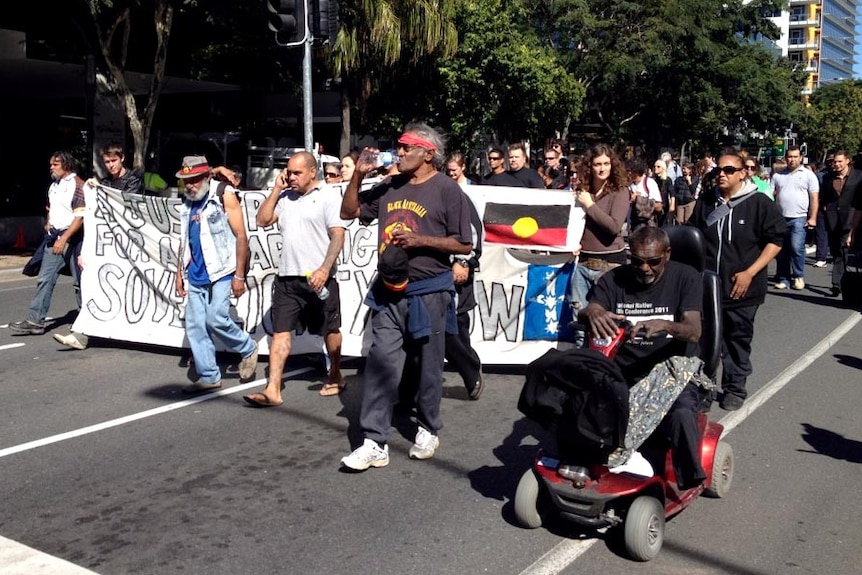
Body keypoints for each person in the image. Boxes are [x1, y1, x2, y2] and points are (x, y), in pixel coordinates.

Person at [339, 122, 473, 471]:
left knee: (428, 366)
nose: (399, 152)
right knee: (381, 363)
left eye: (406, 148)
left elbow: (463, 243)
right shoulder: (390, 185)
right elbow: (349, 212)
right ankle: (373, 441)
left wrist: (421, 241)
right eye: (398, 147)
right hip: (388, 291)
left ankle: (428, 428)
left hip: (430, 291)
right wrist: (358, 177)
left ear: (428, 154)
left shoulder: (447, 190)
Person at [579, 226, 707, 490]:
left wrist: (666, 325)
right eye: (637, 261)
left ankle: (688, 481)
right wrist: (592, 312)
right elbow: (591, 307)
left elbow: (694, 331)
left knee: (682, 413)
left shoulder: (686, 277)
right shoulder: (614, 279)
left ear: (667, 255)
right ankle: (585, 466)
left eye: (653, 262)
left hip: (673, 371)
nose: (645, 268)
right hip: (623, 370)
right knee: (578, 402)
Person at [242, 151, 350, 406]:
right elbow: (262, 220)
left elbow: (338, 235)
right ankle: (273, 389)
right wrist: (276, 189)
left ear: (313, 172)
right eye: (289, 172)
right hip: (287, 279)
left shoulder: (328, 196)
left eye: (297, 173)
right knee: (281, 333)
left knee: (330, 329)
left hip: (319, 278)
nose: (291, 177)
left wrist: (325, 268)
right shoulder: (285, 198)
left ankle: (335, 374)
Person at [689, 150, 785, 411]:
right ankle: (704, 389)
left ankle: (734, 388)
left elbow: (776, 241)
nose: (722, 174)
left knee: (736, 340)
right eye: (718, 169)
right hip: (709, 287)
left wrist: (750, 272)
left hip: (743, 288)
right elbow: (694, 235)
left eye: (729, 170)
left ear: (743, 173)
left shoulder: (760, 203)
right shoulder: (707, 202)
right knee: (705, 341)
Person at [173, 155, 259, 393]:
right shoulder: (188, 201)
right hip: (196, 271)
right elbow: (185, 238)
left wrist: (239, 275)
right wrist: (179, 272)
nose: (189, 185)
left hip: (222, 268)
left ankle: (248, 348)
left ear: (205, 177)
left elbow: (241, 236)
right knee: (195, 325)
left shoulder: (224, 194)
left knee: (215, 318)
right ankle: (210, 376)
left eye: (194, 179)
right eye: (186, 180)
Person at [53, 143, 144, 350]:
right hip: (106, 246)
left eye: (113, 161)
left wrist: (102, 189)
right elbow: (93, 217)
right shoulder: (104, 182)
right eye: (107, 162)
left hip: (128, 246)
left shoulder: (133, 181)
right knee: (94, 286)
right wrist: (86, 250)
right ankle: (82, 334)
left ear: (122, 159)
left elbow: (125, 206)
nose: (110, 165)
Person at [10, 151, 86, 336]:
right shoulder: (54, 186)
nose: (51, 167)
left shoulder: (78, 185)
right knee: (45, 279)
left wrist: (64, 238)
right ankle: (35, 321)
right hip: (55, 239)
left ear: (66, 165)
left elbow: (80, 217)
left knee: (80, 283)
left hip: (73, 240)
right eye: (51, 164)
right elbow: (52, 208)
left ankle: (87, 321)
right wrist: (49, 221)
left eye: (55, 164)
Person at [569, 143, 630, 312]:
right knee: (579, 318)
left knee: (606, 321)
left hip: (610, 263)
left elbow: (614, 226)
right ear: (590, 166)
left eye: (606, 164)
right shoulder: (582, 191)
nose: (602, 169)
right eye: (597, 164)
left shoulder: (620, 191)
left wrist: (590, 205)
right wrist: (573, 242)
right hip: (583, 262)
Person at [772, 146, 819, 291]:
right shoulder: (778, 175)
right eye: (789, 157)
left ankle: (798, 276)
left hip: (799, 217)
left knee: (796, 247)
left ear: (800, 158)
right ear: (785, 158)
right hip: (780, 218)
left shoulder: (808, 175)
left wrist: (813, 217)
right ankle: (783, 278)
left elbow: (814, 198)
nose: (792, 159)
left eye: (795, 156)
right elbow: (769, 195)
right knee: (781, 250)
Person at [822, 150, 862, 296]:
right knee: (835, 250)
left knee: (843, 249)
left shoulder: (858, 176)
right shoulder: (828, 178)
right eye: (835, 162)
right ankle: (841, 280)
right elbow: (825, 197)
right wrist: (826, 210)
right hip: (833, 219)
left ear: (847, 161)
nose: (836, 164)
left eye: (840, 161)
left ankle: (837, 283)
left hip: (852, 217)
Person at [626, 157, 663, 231]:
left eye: (629, 171)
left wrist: (638, 200)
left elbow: (659, 207)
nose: (627, 173)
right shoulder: (628, 185)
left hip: (647, 226)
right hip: (633, 226)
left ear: (636, 172)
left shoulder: (649, 183)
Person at [652, 158, 674, 226]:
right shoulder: (652, 180)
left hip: (664, 205)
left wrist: (672, 205)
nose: (656, 168)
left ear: (663, 168)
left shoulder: (667, 179)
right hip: (654, 205)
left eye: (658, 166)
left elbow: (672, 193)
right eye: (654, 166)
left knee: (664, 224)